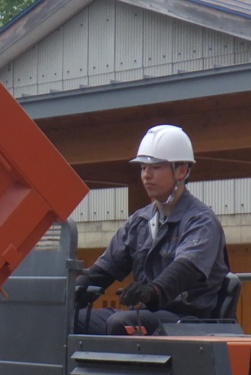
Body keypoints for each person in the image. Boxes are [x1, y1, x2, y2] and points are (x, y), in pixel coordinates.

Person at [75, 124, 229, 335]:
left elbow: (185, 269)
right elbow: (103, 270)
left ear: (181, 171)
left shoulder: (201, 221)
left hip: (186, 319)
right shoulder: (139, 222)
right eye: (143, 168)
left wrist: (152, 290)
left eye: (155, 167)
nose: (146, 175)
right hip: (145, 312)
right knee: (69, 318)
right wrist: (70, 293)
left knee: (122, 323)